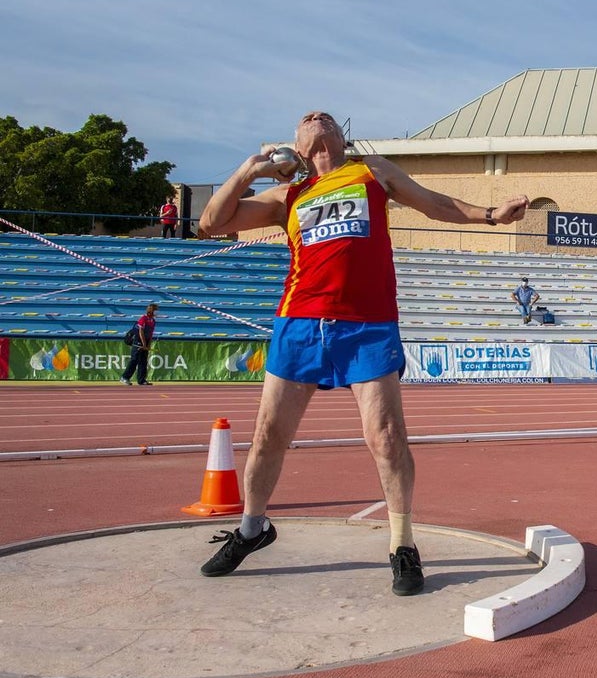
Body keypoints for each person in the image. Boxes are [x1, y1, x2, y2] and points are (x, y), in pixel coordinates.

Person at [196, 111, 528, 595]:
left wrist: (491, 215)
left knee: (387, 436)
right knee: (269, 434)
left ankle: (402, 544)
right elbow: (210, 223)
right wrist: (249, 171)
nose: (316, 117)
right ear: (297, 146)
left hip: (368, 324)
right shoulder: (287, 195)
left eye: (324, 116)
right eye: (307, 118)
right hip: (300, 322)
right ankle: (252, 529)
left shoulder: (372, 170)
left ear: (340, 138)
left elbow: (433, 203)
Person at [120, 303, 158, 386]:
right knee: (134, 360)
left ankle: (141, 380)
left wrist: (148, 345)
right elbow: (141, 332)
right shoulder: (143, 319)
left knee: (143, 361)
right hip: (138, 341)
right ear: (151, 311)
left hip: (146, 342)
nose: (157, 312)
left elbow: (151, 334)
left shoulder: (153, 321)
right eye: (155, 310)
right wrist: (143, 343)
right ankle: (125, 377)